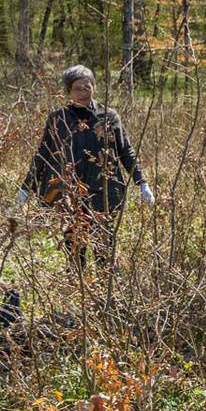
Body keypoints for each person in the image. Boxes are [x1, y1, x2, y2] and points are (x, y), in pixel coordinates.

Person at [14, 65, 153, 272]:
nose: (82, 93)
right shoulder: (59, 118)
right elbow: (44, 153)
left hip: (104, 191)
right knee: (74, 246)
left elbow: (126, 151)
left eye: (87, 88)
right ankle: (76, 291)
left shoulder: (108, 116)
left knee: (104, 246)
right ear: (68, 91)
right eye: (77, 89)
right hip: (70, 194)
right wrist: (26, 188)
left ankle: (105, 294)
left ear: (94, 88)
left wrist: (142, 183)